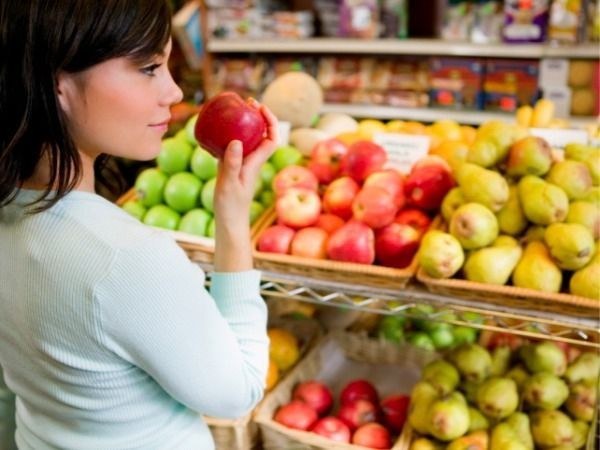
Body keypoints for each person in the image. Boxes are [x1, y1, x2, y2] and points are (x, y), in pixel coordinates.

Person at [0, 1, 278, 448]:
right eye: (149, 68)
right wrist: (234, 220)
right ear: (59, 85)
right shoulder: (125, 258)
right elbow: (238, 391)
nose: (174, 93)